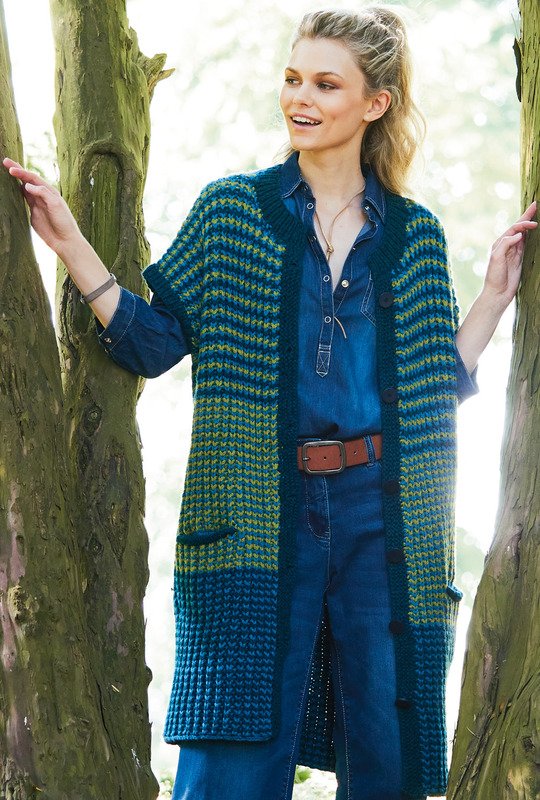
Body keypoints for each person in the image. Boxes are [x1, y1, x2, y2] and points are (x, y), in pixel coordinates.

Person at [3, 7, 536, 800]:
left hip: (382, 524)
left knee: (387, 759)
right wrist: (71, 244)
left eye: (325, 84)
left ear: (376, 103)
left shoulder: (414, 236)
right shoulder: (233, 213)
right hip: (254, 512)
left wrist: (492, 299)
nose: (300, 99)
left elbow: (429, 395)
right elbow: (155, 344)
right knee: (231, 759)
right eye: (293, 79)